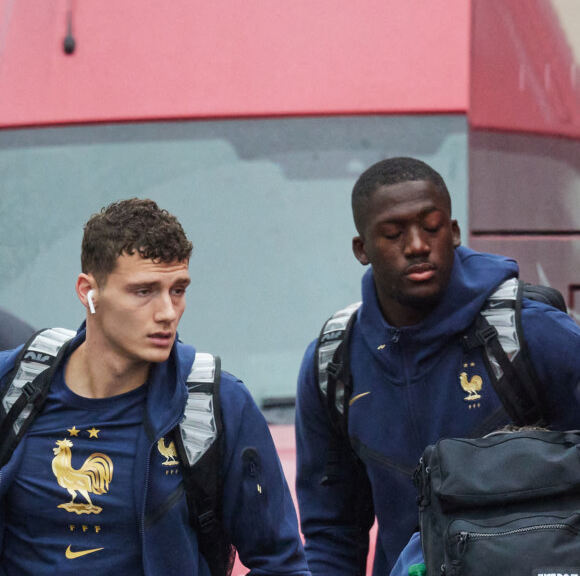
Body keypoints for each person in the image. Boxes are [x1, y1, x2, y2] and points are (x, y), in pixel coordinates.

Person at [294, 157, 580, 575]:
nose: (416, 245)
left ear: (455, 232)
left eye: (431, 227)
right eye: (393, 234)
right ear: (362, 249)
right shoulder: (333, 364)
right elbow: (332, 534)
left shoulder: (530, 333)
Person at [0, 198, 310, 575]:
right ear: (88, 292)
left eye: (177, 290)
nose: (166, 312)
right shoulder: (13, 386)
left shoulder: (217, 406)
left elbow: (281, 564)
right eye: (143, 291)